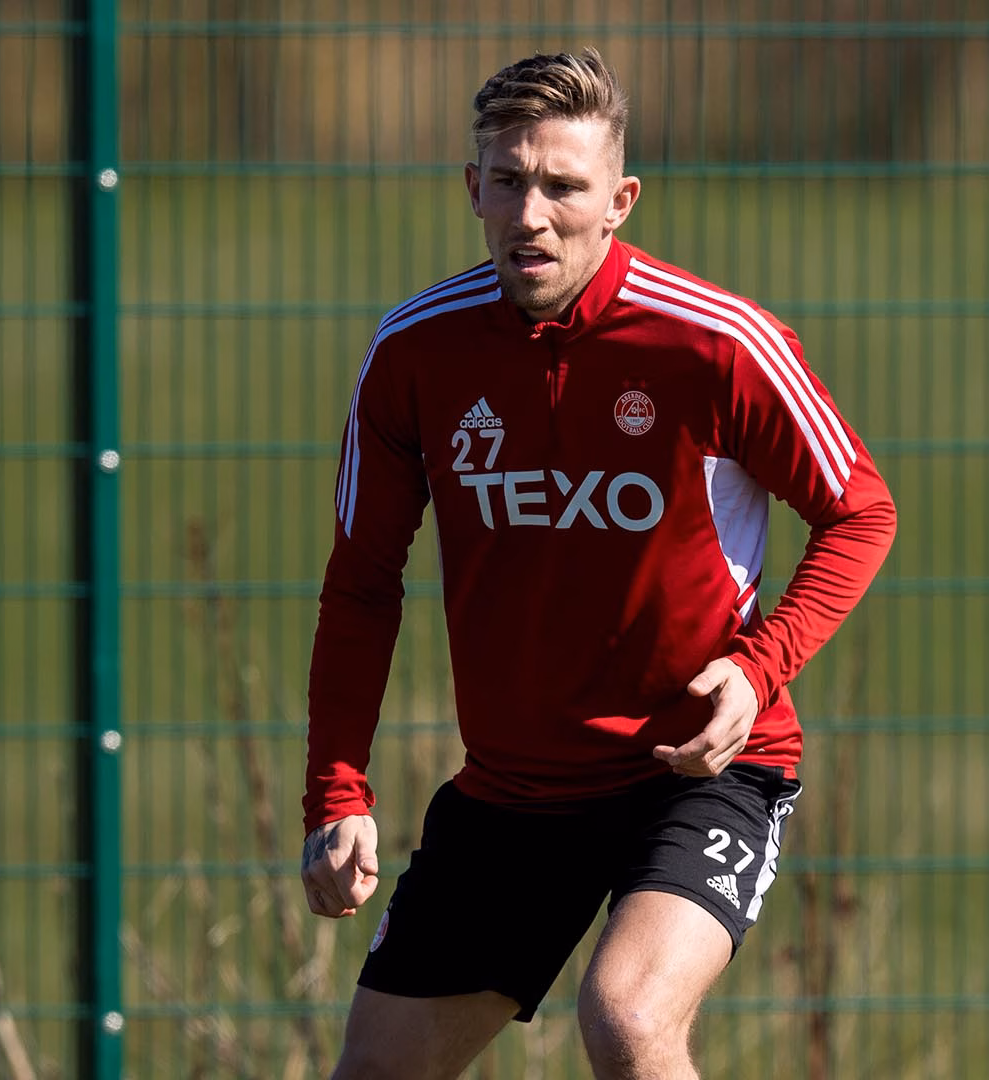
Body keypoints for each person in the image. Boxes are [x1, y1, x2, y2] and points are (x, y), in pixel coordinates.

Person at [299, 48, 898, 1079]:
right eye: (509, 180)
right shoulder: (415, 354)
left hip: (695, 772)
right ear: (473, 188)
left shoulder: (716, 343)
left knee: (625, 1017)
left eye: (563, 187)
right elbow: (361, 585)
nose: (532, 214)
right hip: (514, 791)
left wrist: (757, 674)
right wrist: (337, 793)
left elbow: (860, 512)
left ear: (618, 200)